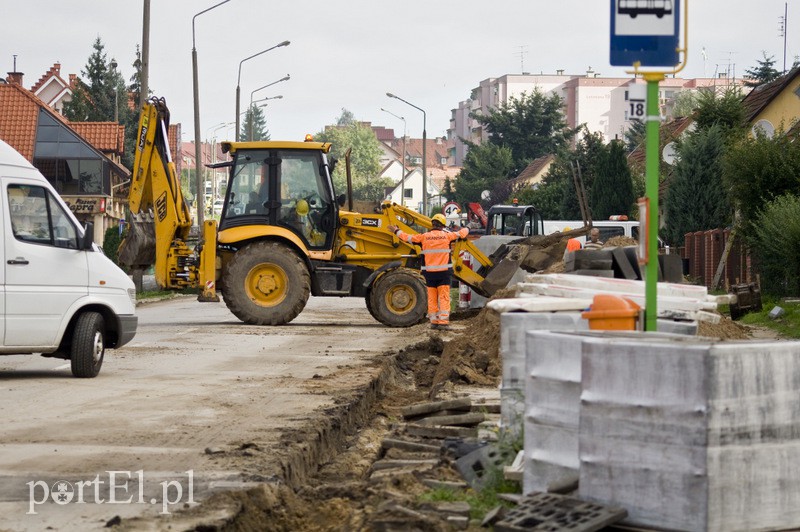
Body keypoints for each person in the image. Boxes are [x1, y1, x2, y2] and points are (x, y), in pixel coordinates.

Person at [388, 213, 468, 330]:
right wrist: (469, 227)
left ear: (432, 224)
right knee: (444, 297)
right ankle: (443, 322)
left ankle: (434, 321)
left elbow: (407, 237)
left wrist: (396, 231)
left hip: (430, 274)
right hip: (444, 273)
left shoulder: (424, 237)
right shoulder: (447, 236)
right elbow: (462, 233)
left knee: (431, 297)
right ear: (442, 225)